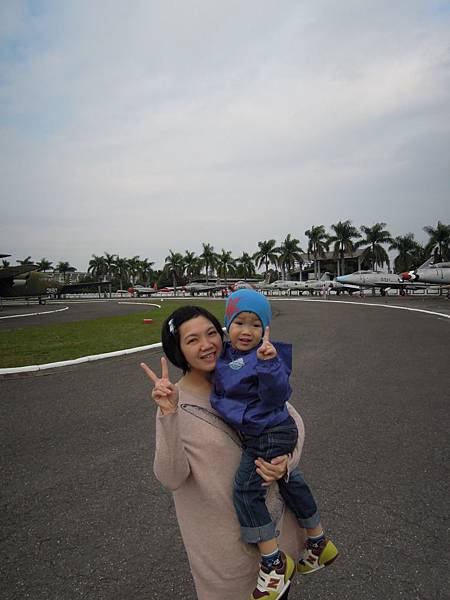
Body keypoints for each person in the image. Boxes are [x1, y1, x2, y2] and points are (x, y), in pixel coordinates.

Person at [141, 305, 306, 600]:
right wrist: (168, 414)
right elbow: (171, 477)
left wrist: (286, 464)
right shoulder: (176, 402)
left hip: (278, 541)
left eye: (211, 333)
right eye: (192, 340)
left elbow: (293, 419)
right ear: (178, 350)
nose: (207, 345)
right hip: (228, 558)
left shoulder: (240, 375)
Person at [210, 289, 339, 600]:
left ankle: (274, 564)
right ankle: (318, 540)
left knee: (245, 490)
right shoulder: (230, 355)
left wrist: (269, 366)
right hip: (270, 430)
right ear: (229, 324)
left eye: (256, 324)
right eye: (240, 322)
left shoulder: (267, 356)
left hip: (270, 431)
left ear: (266, 329)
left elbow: (276, 395)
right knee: (289, 480)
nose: (247, 331)